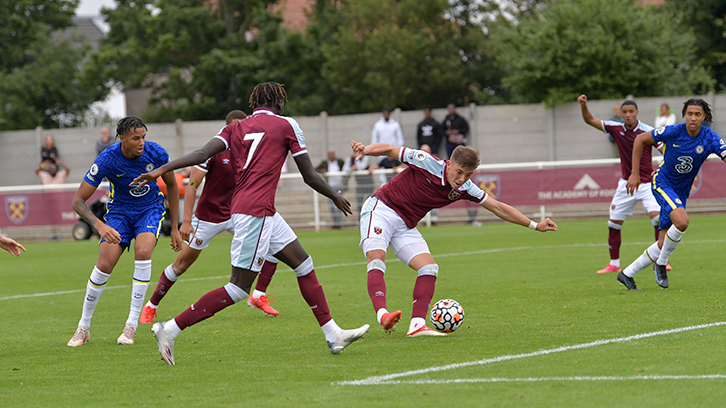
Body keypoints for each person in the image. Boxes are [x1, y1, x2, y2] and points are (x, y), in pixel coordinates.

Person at [133, 82, 369, 365]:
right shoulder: (286, 125)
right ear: (279, 102)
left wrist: (161, 169)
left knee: (303, 264)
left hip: (259, 210)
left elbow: (200, 154)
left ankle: (333, 334)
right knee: (238, 288)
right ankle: (169, 329)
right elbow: (308, 174)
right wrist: (335, 195)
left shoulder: (234, 128)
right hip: (254, 212)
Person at [350, 140, 558, 337]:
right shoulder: (426, 161)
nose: (461, 179)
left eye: (468, 175)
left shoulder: (465, 188)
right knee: (376, 257)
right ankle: (383, 315)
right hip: (381, 209)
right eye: (459, 172)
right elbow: (390, 150)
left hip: (405, 225)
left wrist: (534, 225)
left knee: (429, 268)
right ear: (449, 164)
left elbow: (497, 207)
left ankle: (417, 325)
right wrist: (365, 150)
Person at [139, 110, 283, 323]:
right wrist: (186, 222)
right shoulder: (216, 149)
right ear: (227, 128)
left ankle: (258, 295)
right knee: (182, 264)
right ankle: (151, 306)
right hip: (209, 216)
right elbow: (193, 186)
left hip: (239, 213)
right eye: (235, 127)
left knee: (274, 245)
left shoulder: (252, 151)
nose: (240, 131)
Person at [67, 116, 182, 348]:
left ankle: (131, 326)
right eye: (135, 138)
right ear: (122, 138)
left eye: (143, 137)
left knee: (143, 251)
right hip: (118, 213)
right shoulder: (107, 159)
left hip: (149, 210)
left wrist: (177, 227)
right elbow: (78, 201)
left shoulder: (156, 153)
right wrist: (99, 225)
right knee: (104, 264)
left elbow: (171, 184)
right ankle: (83, 327)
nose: (141, 142)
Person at [618, 99, 726, 290]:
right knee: (682, 222)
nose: (693, 118)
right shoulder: (673, 131)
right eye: (690, 113)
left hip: (681, 191)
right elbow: (640, 139)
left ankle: (627, 274)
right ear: (685, 114)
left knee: (662, 242)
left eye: (698, 114)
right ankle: (661, 264)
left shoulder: (710, 138)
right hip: (662, 183)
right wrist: (634, 173)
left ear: (704, 117)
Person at [577, 95, 669, 274]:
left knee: (658, 219)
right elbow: (589, 119)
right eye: (625, 112)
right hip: (626, 185)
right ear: (621, 114)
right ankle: (614, 263)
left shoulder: (648, 131)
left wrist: (659, 171)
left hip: (647, 184)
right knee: (614, 224)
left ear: (637, 113)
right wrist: (583, 105)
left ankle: (662, 260)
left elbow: (666, 151)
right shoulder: (615, 127)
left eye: (631, 112)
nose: (628, 115)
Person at [316, 149, 347, 229]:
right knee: (331, 206)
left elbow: (347, 169)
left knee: (341, 204)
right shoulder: (325, 163)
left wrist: (345, 180)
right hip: (330, 188)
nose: (331, 156)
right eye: (330, 154)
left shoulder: (340, 162)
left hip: (339, 186)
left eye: (332, 154)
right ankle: (335, 222)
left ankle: (338, 223)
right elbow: (315, 169)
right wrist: (322, 171)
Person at [371, 107, 404, 181]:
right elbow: (374, 140)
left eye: (387, 113)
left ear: (390, 114)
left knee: (395, 171)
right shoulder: (378, 125)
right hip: (382, 153)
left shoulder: (395, 125)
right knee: (383, 173)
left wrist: (398, 151)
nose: (386, 115)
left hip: (393, 152)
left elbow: (400, 139)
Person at [342, 152, 374, 218]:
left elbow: (363, 166)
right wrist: (351, 169)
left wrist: (355, 166)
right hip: (359, 184)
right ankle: (360, 221)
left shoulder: (365, 157)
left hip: (369, 184)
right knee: (359, 203)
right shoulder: (350, 159)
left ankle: (370, 219)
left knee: (370, 203)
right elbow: (345, 169)